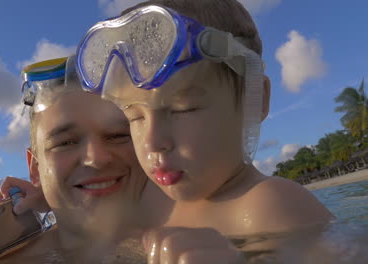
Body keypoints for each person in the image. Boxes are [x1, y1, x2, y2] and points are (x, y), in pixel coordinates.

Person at [75, 0, 334, 262]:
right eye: (135, 116)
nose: (153, 142)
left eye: (182, 108)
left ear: (255, 99)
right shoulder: (154, 203)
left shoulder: (269, 205)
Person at [0, 56, 174, 264]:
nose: (96, 158)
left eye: (118, 135)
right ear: (36, 168)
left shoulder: (202, 240)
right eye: (66, 142)